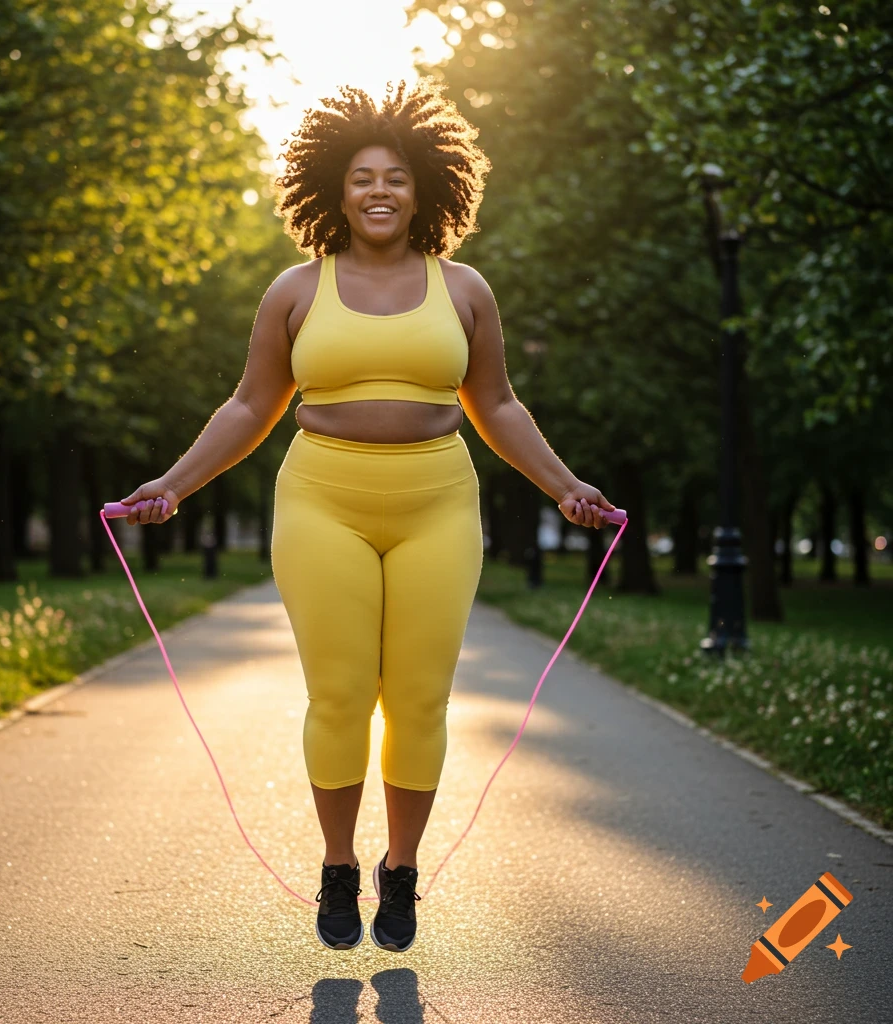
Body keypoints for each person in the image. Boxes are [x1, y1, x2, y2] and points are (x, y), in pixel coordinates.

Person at [119, 79, 615, 954]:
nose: (379, 191)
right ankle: (339, 866)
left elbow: (498, 405)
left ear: (425, 190)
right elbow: (250, 406)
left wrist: (565, 486)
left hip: (437, 501)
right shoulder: (294, 291)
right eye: (362, 178)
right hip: (322, 497)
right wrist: (174, 484)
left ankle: (403, 870)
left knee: (419, 699)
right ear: (334, 191)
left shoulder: (464, 289)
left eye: (395, 177)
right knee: (342, 694)